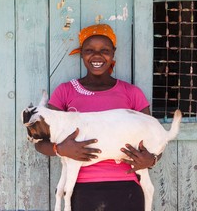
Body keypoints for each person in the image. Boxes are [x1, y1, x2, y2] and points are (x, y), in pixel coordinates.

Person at [35, 24, 160, 211]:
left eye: (105, 50)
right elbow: (39, 142)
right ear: (82, 54)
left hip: (128, 187)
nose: (97, 56)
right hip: (81, 188)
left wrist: (152, 160)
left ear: (113, 53)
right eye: (89, 50)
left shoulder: (131, 93)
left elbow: (153, 138)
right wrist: (60, 148)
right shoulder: (65, 92)